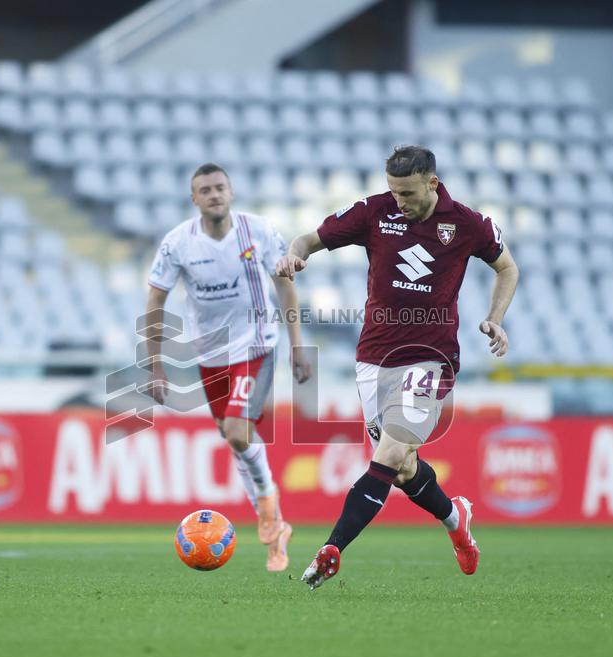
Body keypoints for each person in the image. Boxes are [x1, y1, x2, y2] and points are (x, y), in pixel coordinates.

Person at [275, 145, 520, 589]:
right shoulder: (374, 212)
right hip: (374, 359)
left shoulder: (467, 223)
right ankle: (455, 518)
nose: (400, 202)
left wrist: (496, 318)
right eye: (393, 191)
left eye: (407, 193)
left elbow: (507, 268)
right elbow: (307, 239)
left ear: (433, 182)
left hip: (431, 358)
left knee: (386, 455)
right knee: (403, 467)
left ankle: (331, 550)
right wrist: (297, 256)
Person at [146, 163, 313, 572]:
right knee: (234, 437)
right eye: (205, 190)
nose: (214, 194)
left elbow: (284, 285)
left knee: (238, 431)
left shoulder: (258, 231)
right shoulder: (177, 244)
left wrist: (297, 344)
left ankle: (268, 506)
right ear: (194, 199)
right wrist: (154, 363)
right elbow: (155, 302)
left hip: (256, 346)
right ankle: (275, 526)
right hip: (210, 355)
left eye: (220, 187)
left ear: (231, 192)